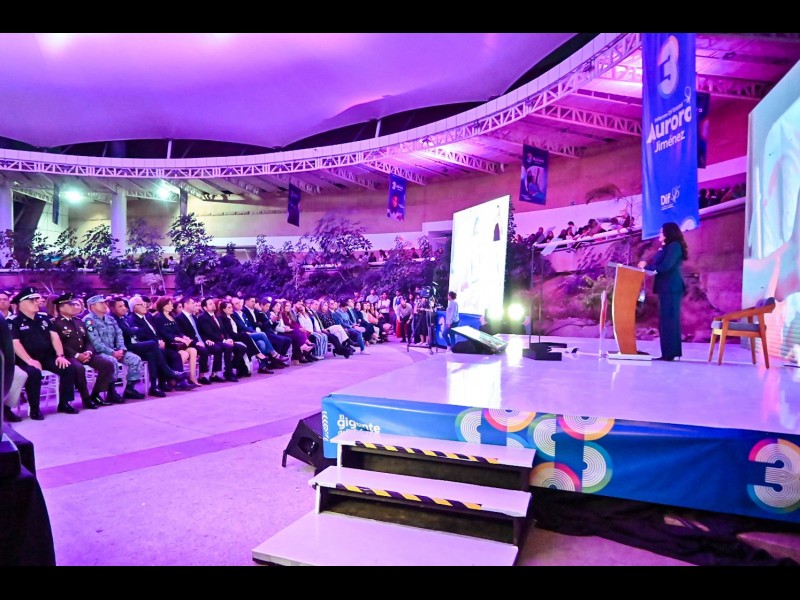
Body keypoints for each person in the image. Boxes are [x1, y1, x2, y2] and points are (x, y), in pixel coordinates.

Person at [10, 286, 79, 420]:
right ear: (22, 303)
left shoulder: (43, 318)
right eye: (33, 300)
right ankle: (35, 409)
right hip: (25, 359)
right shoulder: (14, 321)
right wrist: (29, 360)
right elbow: (15, 343)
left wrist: (60, 355)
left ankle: (64, 403)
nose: (38, 302)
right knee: (34, 373)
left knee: (68, 367)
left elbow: (54, 337)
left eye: (38, 299)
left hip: (47, 357)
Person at [53, 292, 118, 408]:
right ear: (61, 307)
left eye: (75, 304)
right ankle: (86, 399)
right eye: (71, 305)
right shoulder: (56, 323)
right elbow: (60, 344)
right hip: (69, 356)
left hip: (85, 354)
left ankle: (96, 394)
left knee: (107, 364)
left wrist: (88, 352)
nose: (75, 307)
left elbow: (87, 340)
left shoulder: (78, 321)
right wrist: (77, 355)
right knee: (79, 368)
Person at [637, 221, 688, 362]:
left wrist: (647, 267)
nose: (660, 234)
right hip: (665, 288)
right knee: (666, 320)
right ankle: (668, 353)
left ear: (668, 233)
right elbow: (660, 265)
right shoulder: (666, 247)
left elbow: (665, 266)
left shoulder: (674, 246)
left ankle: (670, 353)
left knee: (670, 320)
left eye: (662, 231)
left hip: (671, 288)